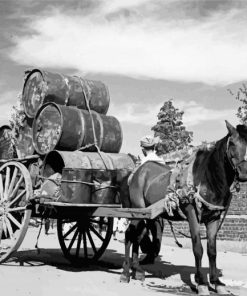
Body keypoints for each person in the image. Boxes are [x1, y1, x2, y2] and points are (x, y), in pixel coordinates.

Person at [138, 135, 165, 264]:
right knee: (157, 224)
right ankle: (153, 252)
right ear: (154, 147)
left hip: (147, 200)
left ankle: (147, 248)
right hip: (161, 197)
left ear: (143, 149)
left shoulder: (144, 163)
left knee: (137, 222)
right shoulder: (161, 161)